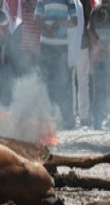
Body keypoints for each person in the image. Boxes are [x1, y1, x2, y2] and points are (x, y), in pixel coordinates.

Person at [34, 0, 78, 130]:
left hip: (61, 47)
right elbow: (36, 18)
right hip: (46, 45)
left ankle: (67, 118)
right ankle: (48, 117)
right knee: (46, 82)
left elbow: (74, 21)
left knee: (64, 82)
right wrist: (47, 28)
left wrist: (59, 23)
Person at [88, 0, 110, 130]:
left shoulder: (95, 9)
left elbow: (90, 30)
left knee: (100, 89)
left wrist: (99, 43)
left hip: (100, 55)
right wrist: (108, 44)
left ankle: (97, 121)